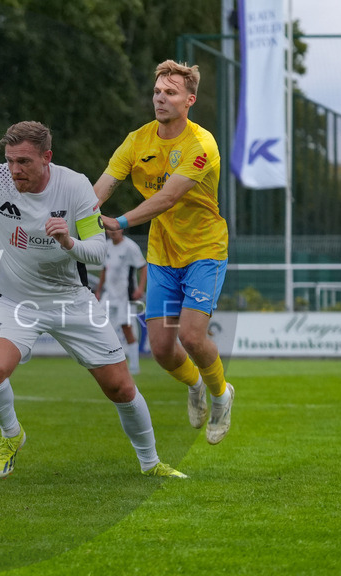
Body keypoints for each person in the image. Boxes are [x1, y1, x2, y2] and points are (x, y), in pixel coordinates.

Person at [0, 121, 186, 480]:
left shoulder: (75, 186)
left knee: (120, 387)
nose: (15, 170)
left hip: (72, 300)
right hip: (16, 301)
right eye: (10, 160)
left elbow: (97, 253)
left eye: (24, 161)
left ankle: (150, 463)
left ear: (46, 158)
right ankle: (11, 435)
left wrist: (69, 242)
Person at [94, 60, 234, 445]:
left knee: (191, 337)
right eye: (157, 91)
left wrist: (119, 223)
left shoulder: (201, 144)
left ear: (189, 100)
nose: (160, 98)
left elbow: (168, 197)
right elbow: (102, 188)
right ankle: (196, 385)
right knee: (160, 349)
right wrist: (77, 216)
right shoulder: (137, 140)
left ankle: (221, 395)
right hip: (161, 253)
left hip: (205, 248)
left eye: (170, 92)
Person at [94, 227, 147, 375]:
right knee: (100, 324)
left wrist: (140, 289)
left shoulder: (130, 247)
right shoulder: (107, 246)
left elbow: (143, 267)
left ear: (122, 230)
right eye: (110, 229)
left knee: (126, 328)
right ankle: (105, 361)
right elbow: (105, 269)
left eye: (115, 229)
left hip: (125, 295)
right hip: (109, 295)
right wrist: (99, 289)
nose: (112, 232)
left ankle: (135, 366)